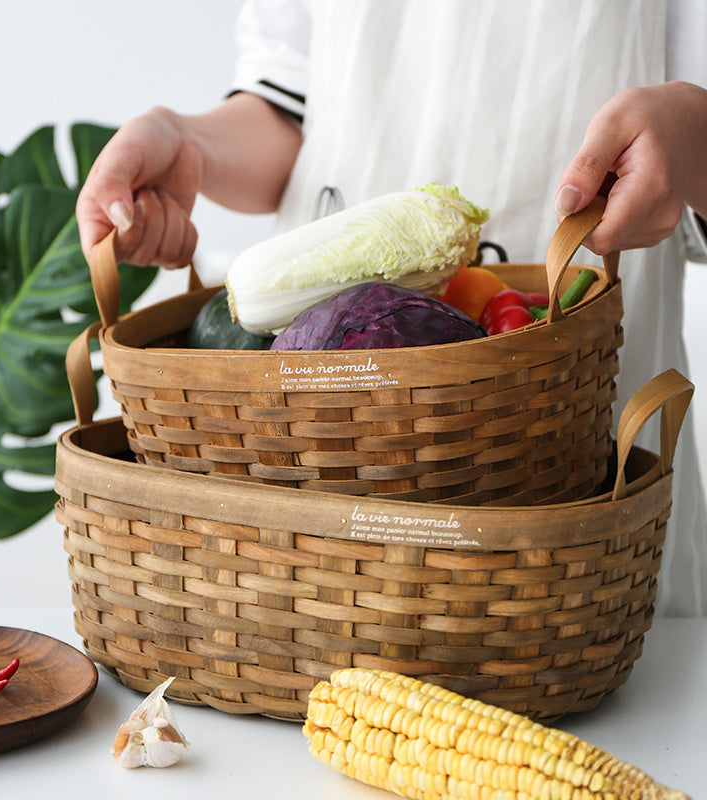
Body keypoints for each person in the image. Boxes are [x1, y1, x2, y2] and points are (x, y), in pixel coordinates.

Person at [76, 0, 707, 615]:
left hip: (565, 407)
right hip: (321, 430)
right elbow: (287, 104)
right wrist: (190, 143)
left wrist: (694, 138)